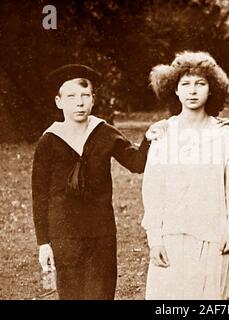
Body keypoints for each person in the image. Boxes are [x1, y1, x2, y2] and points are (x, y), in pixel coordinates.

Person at [31, 64, 161, 300]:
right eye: (71, 97)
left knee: (101, 293)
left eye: (85, 96)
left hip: (100, 232)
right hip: (64, 234)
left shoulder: (104, 132)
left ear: (93, 100)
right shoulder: (49, 141)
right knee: (72, 294)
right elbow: (39, 195)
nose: (79, 102)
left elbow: (136, 163)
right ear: (59, 102)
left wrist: (149, 139)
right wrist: (44, 243)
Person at [141, 51, 229, 299]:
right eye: (185, 84)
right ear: (175, 90)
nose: (192, 90)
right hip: (172, 235)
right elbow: (152, 190)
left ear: (212, 89)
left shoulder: (223, 135)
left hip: (212, 235)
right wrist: (154, 238)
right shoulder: (164, 134)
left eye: (200, 84)